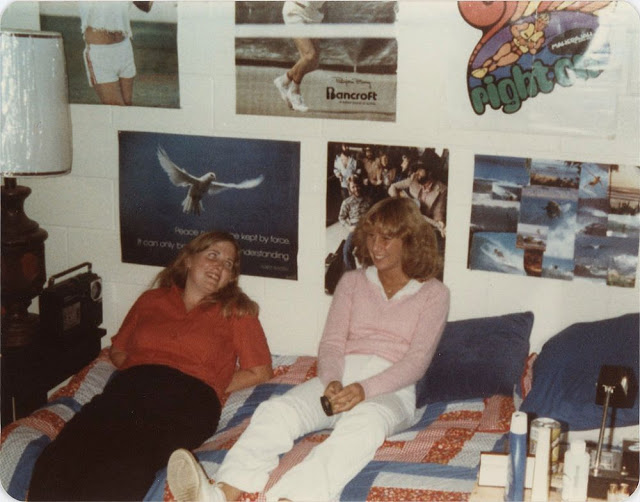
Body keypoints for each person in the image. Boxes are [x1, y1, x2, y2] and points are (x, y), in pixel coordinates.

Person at [167, 197, 450, 502]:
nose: (375, 247)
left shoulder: (434, 293)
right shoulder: (352, 282)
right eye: (371, 236)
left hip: (390, 390)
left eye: (387, 238)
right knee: (277, 412)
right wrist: (332, 380)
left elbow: (416, 362)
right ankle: (219, 494)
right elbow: (332, 343)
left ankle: (293, 498)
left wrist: (364, 390)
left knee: (364, 426)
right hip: (339, 378)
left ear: (409, 241)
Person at [28, 231, 273, 501]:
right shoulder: (152, 300)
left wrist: (213, 382)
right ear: (189, 260)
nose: (219, 266)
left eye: (228, 264)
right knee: (63, 455)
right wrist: (142, 371)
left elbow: (260, 371)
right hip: (131, 389)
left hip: (188, 401)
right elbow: (118, 350)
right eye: (212, 255)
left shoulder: (237, 311)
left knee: (124, 464)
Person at [78, 1, 152, 105]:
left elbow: (146, 6)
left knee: (127, 106)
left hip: (124, 48)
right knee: (116, 108)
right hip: (100, 53)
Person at [273, 1, 326, 112]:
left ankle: (284, 80)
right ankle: (294, 91)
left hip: (313, 15)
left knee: (314, 63)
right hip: (295, 11)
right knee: (309, 55)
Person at [388, 164, 447, 239]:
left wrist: (440, 224)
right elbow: (392, 187)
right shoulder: (413, 179)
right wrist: (399, 202)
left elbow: (438, 212)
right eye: (416, 170)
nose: (416, 173)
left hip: (423, 223)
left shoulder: (442, 189)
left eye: (420, 170)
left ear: (429, 172)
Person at [338, 176, 371, 270]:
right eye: (353, 187)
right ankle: (352, 272)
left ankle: (367, 271)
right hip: (355, 227)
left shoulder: (368, 200)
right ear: (349, 189)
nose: (356, 189)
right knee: (346, 251)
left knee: (365, 250)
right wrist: (349, 227)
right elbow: (341, 217)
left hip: (367, 226)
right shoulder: (347, 202)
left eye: (357, 186)